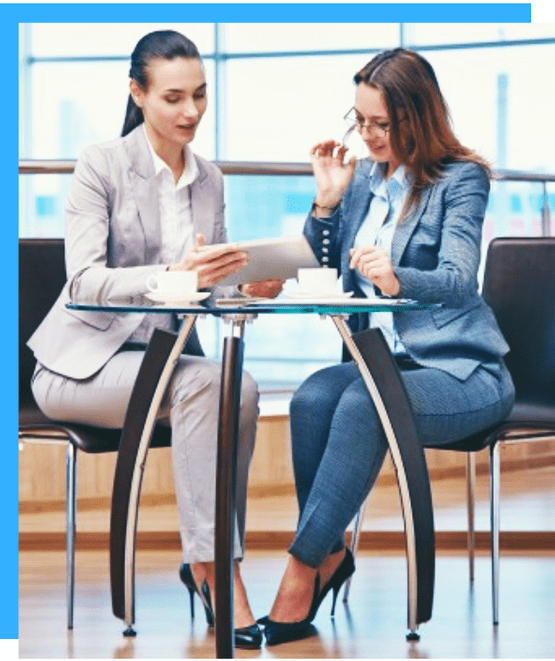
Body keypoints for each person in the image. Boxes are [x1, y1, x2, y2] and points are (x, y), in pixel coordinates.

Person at [28, 30, 282, 649]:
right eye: (173, 98)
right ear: (137, 94)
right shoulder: (101, 166)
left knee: (238, 391)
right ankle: (216, 572)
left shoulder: (210, 179)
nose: (190, 112)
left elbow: (204, 290)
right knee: (211, 386)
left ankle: (212, 559)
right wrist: (172, 276)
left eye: (199, 95)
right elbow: (84, 280)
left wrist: (245, 288)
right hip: (81, 370)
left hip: (165, 368)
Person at [261, 48, 515, 646]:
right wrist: (326, 202)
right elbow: (324, 269)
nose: (370, 136)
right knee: (313, 396)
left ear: (416, 117)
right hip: (389, 363)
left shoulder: (461, 178)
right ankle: (330, 551)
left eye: (384, 124)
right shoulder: (364, 182)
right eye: (361, 121)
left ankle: (299, 575)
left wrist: (397, 275)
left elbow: (458, 279)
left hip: (463, 373)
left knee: (361, 403)